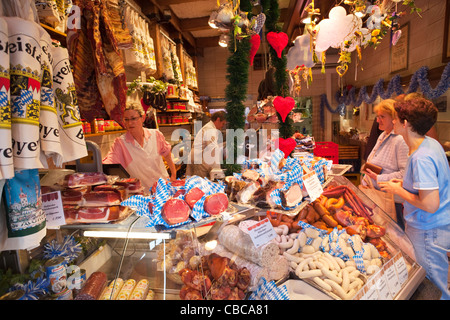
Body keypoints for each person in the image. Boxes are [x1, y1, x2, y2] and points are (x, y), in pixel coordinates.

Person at [378, 97, 450, 300]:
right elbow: (426, 188)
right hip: (434, 228)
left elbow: (430, 203)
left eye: (397, 119)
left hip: (428, 231)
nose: (393, 122)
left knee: (433, 287)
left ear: (406, 123)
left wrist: (398, 190)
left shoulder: (422, 157)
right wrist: (403, 185)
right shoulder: (430, 144)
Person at [103, 102, 177, 191]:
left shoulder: (155, 135)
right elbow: (109, 162)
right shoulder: (120, 143)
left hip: (162, 187)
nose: (130, 123)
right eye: (126, 119)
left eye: (133, 118)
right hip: (141, 192)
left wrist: (173, 174)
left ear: (143, 118)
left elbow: (167, 153)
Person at [361, 99, 409, 230]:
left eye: (382, 117)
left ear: (394, 118)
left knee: (396, 236)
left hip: (391, 200)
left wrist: (379, 178)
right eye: (377, 116)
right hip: (375, 194)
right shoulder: (383, 134)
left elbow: (405, 174)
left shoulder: (400, 140)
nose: (377, 120)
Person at [186, 111, 227, 178]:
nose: (222, 126)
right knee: (200, 183)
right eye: (223, 124)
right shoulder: (209, 129)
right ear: (218, 119)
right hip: (199, 160)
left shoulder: (210, 128)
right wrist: (218, 170)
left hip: (200, 158)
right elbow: (213, 150)